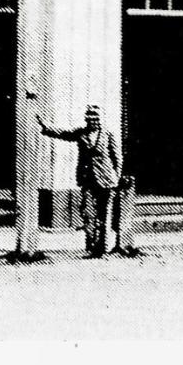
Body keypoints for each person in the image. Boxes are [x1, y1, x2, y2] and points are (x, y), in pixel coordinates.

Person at [37, 105, 123, 257]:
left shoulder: (107, 134)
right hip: (87, 179)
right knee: (88, 213)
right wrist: (45, 127)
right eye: (89, 118)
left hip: (106, 180)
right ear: (86, 119)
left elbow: (117, 158)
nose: (93, 121)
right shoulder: (81, 133)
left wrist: (116, 177)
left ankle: (102, 249)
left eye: (95, 118)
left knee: (104, 215)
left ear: (100, 119)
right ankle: (91, 247)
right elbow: (63, 134)